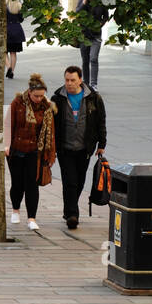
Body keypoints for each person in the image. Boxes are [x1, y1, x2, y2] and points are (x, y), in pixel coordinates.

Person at [51, 66, 106, 230]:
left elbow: (101, 121)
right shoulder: (57, 98)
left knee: (80, 180)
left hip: (85, 147)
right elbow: (51, 124)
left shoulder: (93, 98)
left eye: (72, 80)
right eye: (67, 80)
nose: (69, 83)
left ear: (80, 80)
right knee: (70, 181)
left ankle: (68, 210)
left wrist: (102, 144)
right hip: (64, 148)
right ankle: (73, 214)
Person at [3, 73, 57, 231]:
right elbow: (7, 124)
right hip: (16, 150)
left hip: (36, 151)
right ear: (29, 92)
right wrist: (6, 145)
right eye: (36, 96)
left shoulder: (47, 107)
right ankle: (15, 210)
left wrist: (50, 153)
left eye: (42, 96)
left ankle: (31, 218)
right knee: (17, 183)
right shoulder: (18, 103)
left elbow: (50, 132)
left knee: (32, 184)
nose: (39, 99)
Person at [75, 0, 109, 89]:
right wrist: (84, 0)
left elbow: (106, 16)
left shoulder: (101, 2)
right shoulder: (82, 0)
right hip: (84, 35)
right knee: (85, 61)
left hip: (96, 35)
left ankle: (94, 84)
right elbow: (78, 13)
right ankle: (85, 84)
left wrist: (101, 24)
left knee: (93, 58)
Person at [5, 0, 26, 81]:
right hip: (17, 29)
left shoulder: (4, 7)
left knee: (4, 51)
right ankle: (12, 71)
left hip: (6, 30)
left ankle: (8, 67)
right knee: (13, 53)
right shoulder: (19, 7)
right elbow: (21, 20)